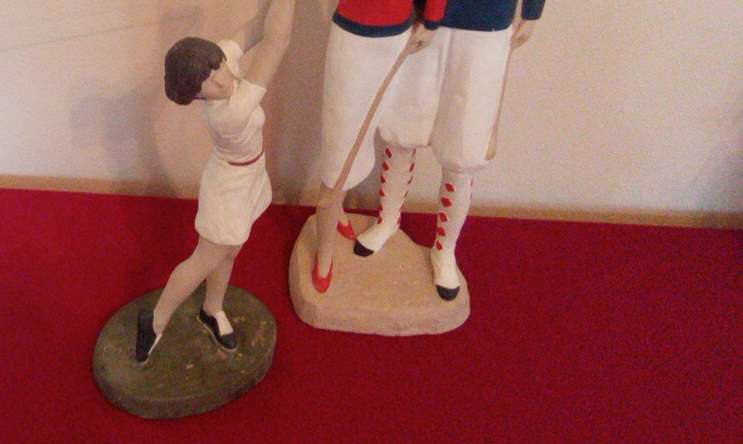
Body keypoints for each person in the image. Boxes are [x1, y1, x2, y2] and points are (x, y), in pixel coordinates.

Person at [135, 0, 296, 363]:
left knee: (230, 250)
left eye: (218, 66)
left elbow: (256, 30)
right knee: (204, 259)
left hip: (251, 173)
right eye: (208, 81)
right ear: (195, 95)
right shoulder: (229, 112)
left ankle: (212, 308)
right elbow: (276, 43)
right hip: (230, 186)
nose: (222, 78)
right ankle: (155, 321)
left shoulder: (216, 62)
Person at [354, 0, 546, 301]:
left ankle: (445, 249)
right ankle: (387, 220)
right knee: (403, 126)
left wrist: (532, 12)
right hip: (425, 17)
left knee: (465, 145)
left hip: (487, 25)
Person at [313, 0, 448, 293]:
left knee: (381, 126)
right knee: (340, 140)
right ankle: (325, 248)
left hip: (399, 38)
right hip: (352, 34)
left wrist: (432, 19)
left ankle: (340, 209)